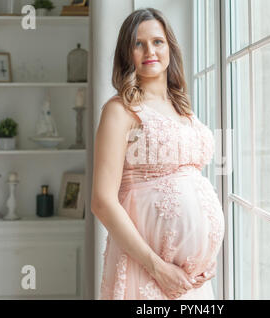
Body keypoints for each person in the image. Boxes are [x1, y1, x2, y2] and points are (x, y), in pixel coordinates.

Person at [91, 7, 225, 300]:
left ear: (169, 48)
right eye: (138, 44)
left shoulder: (182, 107)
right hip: (148, 271)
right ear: (127, 54)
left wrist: (204, 258)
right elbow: (102, 202)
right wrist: (158, 267)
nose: (149, 50)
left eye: (157, 41)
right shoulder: (119, 111)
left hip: (192, 279)